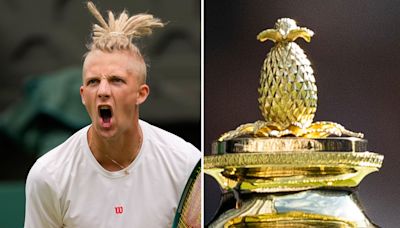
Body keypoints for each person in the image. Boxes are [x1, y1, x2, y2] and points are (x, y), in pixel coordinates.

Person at [24, 2, 200, 227]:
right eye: (93, 82)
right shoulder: (47, 175)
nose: (103, 91)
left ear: (141, 94)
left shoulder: (184, 163)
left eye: (116, 80)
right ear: (83, 95)